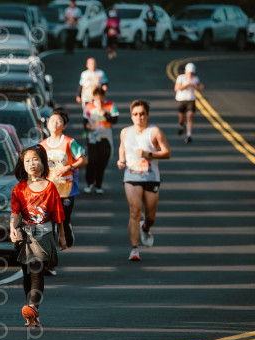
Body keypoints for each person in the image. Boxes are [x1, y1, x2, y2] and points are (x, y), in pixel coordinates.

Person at [10, 146, 67, 326]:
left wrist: (62, 236)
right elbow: (14, 212)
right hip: (25, 237)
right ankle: (32, 312)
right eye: (27, 161)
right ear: (22, 165)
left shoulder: (50, 187)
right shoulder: (19, 188)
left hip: (44, 235)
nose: (32, 164)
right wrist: (12, 227)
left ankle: (33, 306)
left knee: (37, 272)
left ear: (43, 162)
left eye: (35, 159)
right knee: (27, 274)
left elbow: (58, 214)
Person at [117, 99, 171, 261]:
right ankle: (134, 249)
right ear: (131, 116)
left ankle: (146, 227)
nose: (138, 117)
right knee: (134, 212)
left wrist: (148, 154)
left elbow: (167, 153)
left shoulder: (154, 132)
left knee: (150, 216)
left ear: (147, 115)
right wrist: (121, 160)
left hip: (151, 176)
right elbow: (122, 147)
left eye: (142, 114)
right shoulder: (125, 132)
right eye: (135, 114)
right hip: (131, 176)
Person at [39, 108, 87, 274]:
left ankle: (67, 229)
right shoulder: (42, 145)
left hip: (66, 188)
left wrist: (69, 167)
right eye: (52, 121)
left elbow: (83, 160)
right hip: (48, 190)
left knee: (63, 219)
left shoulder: (69, 142)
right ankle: (49, 263)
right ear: (47, 124)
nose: (55, 123)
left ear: (64, 125)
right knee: (49, 225)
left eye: (59, 121)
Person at [83, 88, 119, 194]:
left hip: (105, 136)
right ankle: (90, 183)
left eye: (101, 98)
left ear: (104, 96)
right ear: (94, 97)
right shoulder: (89, 106)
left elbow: (114, 120)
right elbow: (85, 121)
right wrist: (87, 126)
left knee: (102, 162)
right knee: (92, 160)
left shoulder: (110, 105)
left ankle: (98, 185)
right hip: (92, 137)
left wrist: (103, 112)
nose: (99, 100)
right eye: (97, 98)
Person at [174, 62, 204, 143]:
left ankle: (189, 135)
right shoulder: (181, 78)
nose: (190, 75)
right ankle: (182, 125)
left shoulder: (195, 79)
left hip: (191, 100)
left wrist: (197, 86)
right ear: (186, 71)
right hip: (181, 100)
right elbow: (176, 88)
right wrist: (187, 84)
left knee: (190, 116)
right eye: (189, 73)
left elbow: (202, 86)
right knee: (181, 118)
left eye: (192, 73)